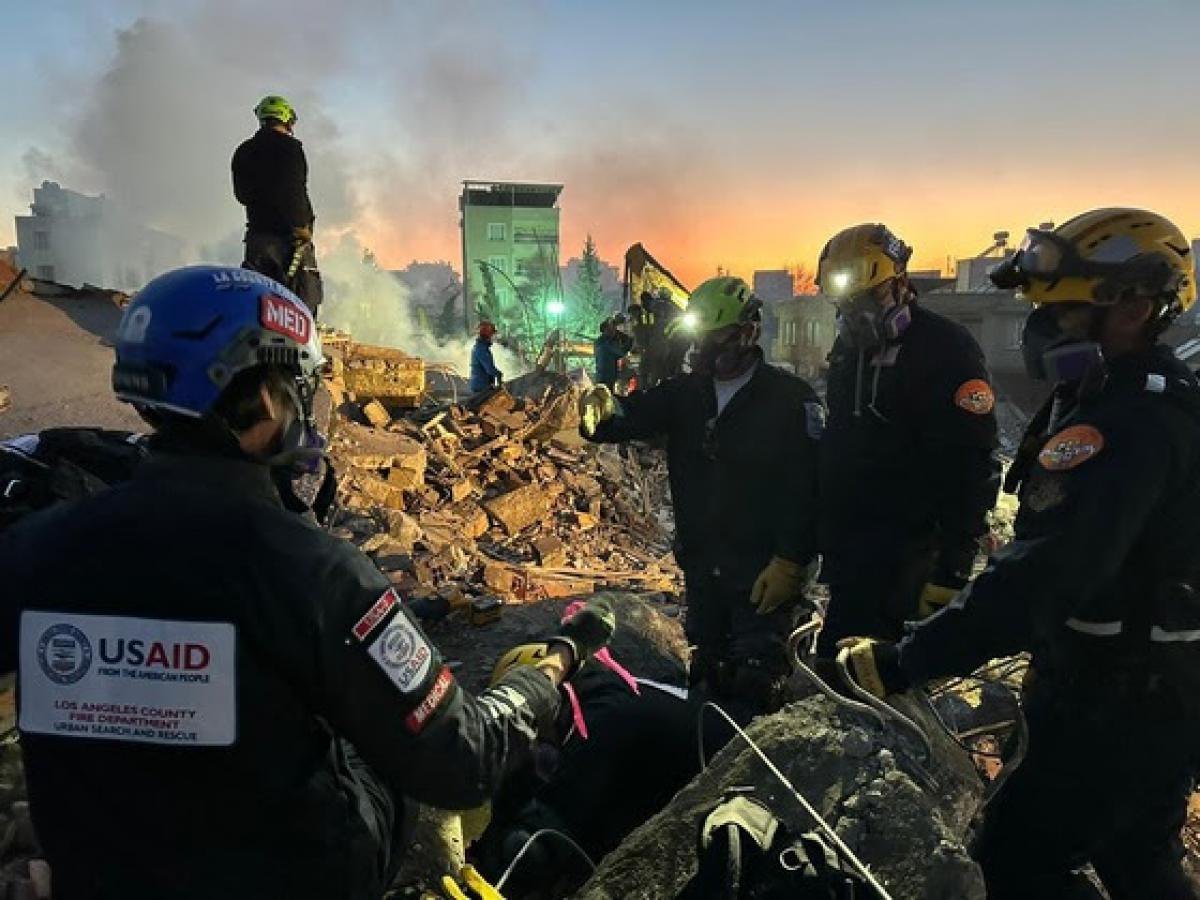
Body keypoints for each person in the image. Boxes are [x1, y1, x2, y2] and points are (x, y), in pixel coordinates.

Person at [0, 265, 616, 899]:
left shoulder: (38, 546)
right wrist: (553, 666)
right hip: (294, 875)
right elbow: (465, 764)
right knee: (389, 737)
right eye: (297, 383)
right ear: (263, 399)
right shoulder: (316, 574)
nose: (304, 404)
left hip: (100, 871)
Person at [841, 209, 1200, 900]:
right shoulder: (1108, 398)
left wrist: (907, 659)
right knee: (1138, 861)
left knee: (1017, 862)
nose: (1042, 331)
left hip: (1123, 698)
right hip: (1133, 685)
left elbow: (1048, 576)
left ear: (1133, 306)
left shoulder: (1132, 422)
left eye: (1061, 315)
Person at [579, 276, 822, 718]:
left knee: (755, 683)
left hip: (762, 571)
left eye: (715, 338)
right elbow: (628, 418)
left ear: (747, 333)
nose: (704, 349)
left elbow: (808, 486)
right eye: (700, 339)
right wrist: (600, 411)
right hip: (704, 561)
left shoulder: (788, 399)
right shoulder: (686, 392)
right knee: (707, 673)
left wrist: (792, 558)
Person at [813, 223, 1001, 657]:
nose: (855, 314)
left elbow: (972, 464)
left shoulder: (946, 350)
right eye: (845, 303)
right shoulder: (848, 355)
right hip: (854, 553)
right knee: (838, 666)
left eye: (868, 298)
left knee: (882, 682)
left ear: (900, 285)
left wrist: (953, 566)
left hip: (912, 555)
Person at [232, 95, 323, 316]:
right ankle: (296, 345)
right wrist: (301, 226)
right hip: (290, 241)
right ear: (287, 120)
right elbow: (295, 189)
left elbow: (242, 195)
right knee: (301, 301)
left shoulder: (244, 151)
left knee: (259, 299)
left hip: (258, 238)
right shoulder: (290, 149)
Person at [593, 315, 634, 389]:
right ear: (605, 330)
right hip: (607, 376)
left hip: (602, 375)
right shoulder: (606, 343)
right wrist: (630, 342)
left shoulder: (599, 341)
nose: (614, 331)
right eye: (611, 329)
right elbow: (620, 352)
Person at [470, 320, 503, 393]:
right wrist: (498, 374)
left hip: (481, 386)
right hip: (481, 388)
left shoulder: (481, 348)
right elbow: (490, 369)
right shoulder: (481, 349)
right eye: (492, 334)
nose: (494, 337)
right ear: (488, 335)